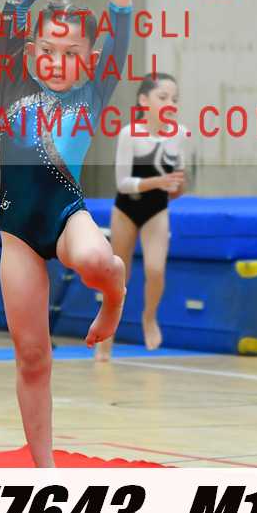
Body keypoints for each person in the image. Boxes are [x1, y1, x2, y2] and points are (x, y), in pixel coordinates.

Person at [0, 0, 151, 466]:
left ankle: (115, 294)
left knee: (94, 259)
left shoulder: (93, 92)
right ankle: (46, 473)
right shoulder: (13, 81)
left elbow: (120, 34)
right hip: (18, 233)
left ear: (87, 58)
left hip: (66, 215)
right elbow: (15, 4)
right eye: (47, 49)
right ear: (31, 51)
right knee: (32, 356)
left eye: (70, 52)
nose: (57, 61)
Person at [94, 73, 186, 361]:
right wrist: (157, 182)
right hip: (126, 211)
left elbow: (177, 183)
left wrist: (177, 186)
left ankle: (149, 316)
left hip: (156, 211)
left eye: (174, 99)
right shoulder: (129, 134)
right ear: (144, 101)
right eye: (163, 97)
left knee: (155, 270)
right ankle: (106, 335)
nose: (170, 103)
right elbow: (122, 183)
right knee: (118, 279)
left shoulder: (179, 134)